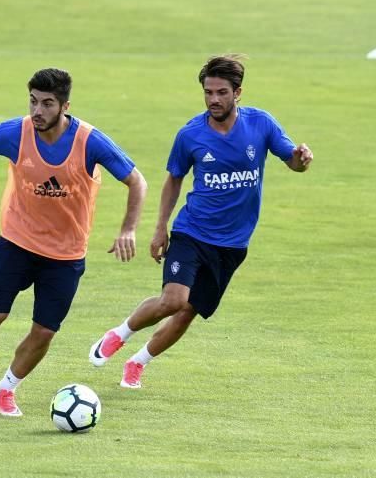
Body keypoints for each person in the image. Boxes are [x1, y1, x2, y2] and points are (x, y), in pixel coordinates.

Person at [0, 68, 147, 417]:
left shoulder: (89, 141)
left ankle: (7, 388)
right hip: (16, 242)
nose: (38, 111)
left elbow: (136, 181)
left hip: (66, 256)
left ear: (65, 106)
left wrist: (128, 229)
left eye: (47, 104)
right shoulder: (16, 133)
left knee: (43, 332)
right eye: (34, 102)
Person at [88, 55, 313, 389]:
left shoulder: (261, 124)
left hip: (234, 244)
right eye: (208, 92)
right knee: (173, 300)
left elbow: (293, 161)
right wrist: (161, 226)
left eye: (221, 92)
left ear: (238, 93)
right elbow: (174, 179)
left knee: (188, 311)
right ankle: (120, 334)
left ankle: (139, 362)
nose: (214, 100)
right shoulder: (190, 134)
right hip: (192, 231)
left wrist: (301, 160)